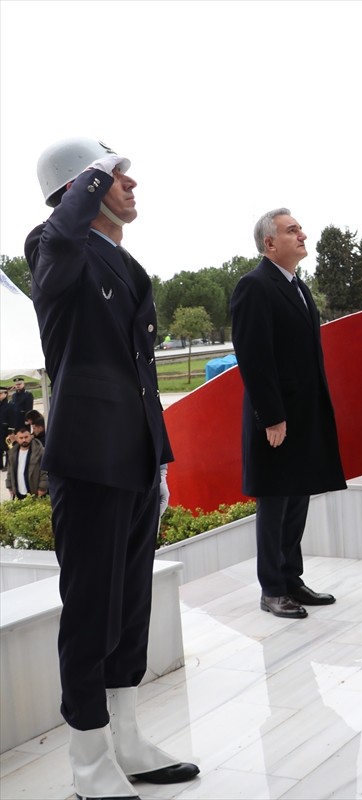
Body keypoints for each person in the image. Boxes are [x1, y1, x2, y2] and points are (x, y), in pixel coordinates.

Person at [25, 137, 197, 799]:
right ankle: (88, 760)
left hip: (131, 457)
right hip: (89, 461)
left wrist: (158, 458)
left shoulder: (116, 259)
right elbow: (60, 235)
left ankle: (127, 741)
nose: (131, 188)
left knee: (129, 609)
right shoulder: (56, 248)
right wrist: (86, 185)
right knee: (91, 610)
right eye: (116, 179)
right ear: (82, 190)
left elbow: (142, 376)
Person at [230, 209, 347, 620]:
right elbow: (254, 356)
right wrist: (271, 416)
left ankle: (292, 579)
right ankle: (272, 589)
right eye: (291, 230)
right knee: (276, 501)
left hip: (304, 411)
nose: (302, 234)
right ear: (269, 243)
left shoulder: (297, 286)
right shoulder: (255, 286)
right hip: (276, 417)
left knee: (298, 497)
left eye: (299, 228)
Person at [5, 424, 48, 499]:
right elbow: (10, 471)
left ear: (31, 436)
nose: (24, 440)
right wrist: (10, 487)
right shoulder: (12, 453)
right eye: (21, 438)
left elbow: (44, 471)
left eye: (26, 437)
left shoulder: (40, 451)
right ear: (16, 439)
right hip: (19, 492)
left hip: (35, 492)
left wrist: (42, 488)